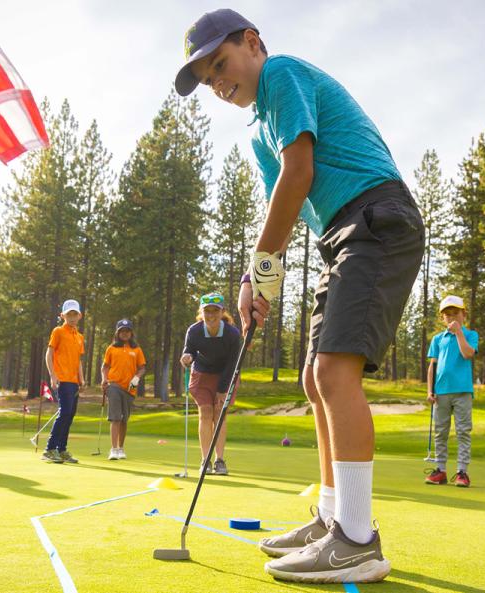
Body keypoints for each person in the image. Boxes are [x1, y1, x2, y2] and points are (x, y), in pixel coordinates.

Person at [175, 9, 425, 583]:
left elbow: (300, 174)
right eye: (207, 78)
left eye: (220, 63)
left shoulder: (281, 73)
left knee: (337, 374)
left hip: (375, 217)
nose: (217, 81)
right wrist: (255, 284)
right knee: (315, 377)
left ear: (253, 43)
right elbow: (280, 208)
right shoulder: (258, 132)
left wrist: (258, 267)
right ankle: (332, 515)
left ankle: (358, 540)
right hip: (339, 236)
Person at [180, 293, 242, 476]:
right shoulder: (194, 330)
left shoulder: (232, 333)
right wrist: (187, 357)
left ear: (222, 311)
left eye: (215, 311)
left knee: (219, 414)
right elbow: (189, 350)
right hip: (202, 374)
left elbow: (233, 364)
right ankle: (205, 460)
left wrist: (223, 389)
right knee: (206, 412)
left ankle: (219, 460)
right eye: (207, 311)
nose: (211, 315)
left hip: (226, 375)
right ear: (202, 312)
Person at [426, 296, 478, 487]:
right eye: (447, 315)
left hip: (463, 391)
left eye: (455, 313)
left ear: (464, 314)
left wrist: (458, 334)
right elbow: (432, 366)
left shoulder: (470, 335)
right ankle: (440, 470)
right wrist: (429, 390)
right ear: (442, 318)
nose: (451, 318)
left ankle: (462, 472)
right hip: (441, 392)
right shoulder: (438, 339)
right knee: (441, 431)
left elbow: (467, 354)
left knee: (463, 431)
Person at [43, 299, 85, 464]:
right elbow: (49, 354)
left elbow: (78, 360)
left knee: (70, 415)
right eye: (69, 315)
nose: (72, 318)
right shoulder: (58, 331)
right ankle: (50, 449)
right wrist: (53, 375)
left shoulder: (79, 337)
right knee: (64, 413)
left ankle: (62, 449)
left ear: (79, 316)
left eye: (75, 314)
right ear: (63, 316)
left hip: (74, 381)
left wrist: (81, 378)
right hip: (62, 379)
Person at [101, 319, 146, 460]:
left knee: (124, 419)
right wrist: (104, 379)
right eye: (122, 331)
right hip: (114, 385)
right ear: (117, 333)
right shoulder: (112, 348)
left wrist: (137, 378)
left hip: (130, 387)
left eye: (127, 331)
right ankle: (113, 449)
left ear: (131, 333)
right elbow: (105, 367)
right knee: (116, 417)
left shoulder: (137, 349)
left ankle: (120, 448)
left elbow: (142, 367)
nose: (125, 333)